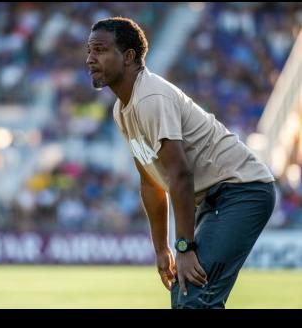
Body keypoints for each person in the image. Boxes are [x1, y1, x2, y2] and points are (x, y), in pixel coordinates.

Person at [86, 16, 276, 309]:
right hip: (216, 198)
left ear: (128, 57)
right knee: (186, 295)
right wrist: (162, 249)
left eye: (99, 50)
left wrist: (184, 247)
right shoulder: (122, 110)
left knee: (195, 296)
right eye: (89, 51)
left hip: (242, 190)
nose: (90, 59)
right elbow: (151, 182)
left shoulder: (150, 98)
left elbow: (181, 176)